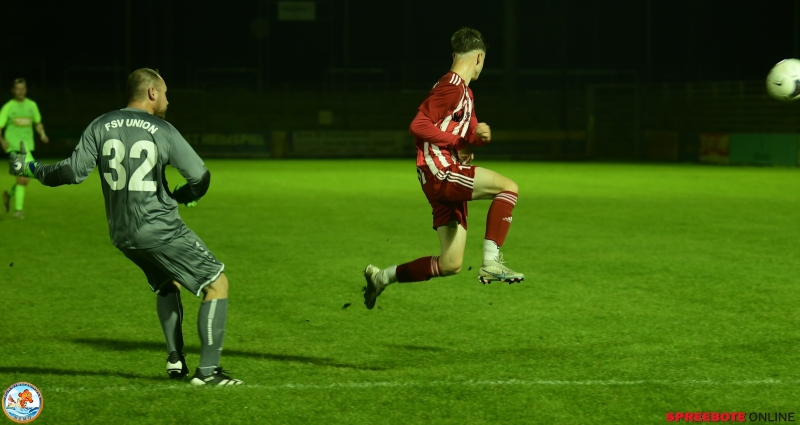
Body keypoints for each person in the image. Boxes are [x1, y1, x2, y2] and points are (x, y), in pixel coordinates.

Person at [7, 68, 242, 386]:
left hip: (122, 234)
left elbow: (72, 172)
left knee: (166, 284)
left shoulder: (100, 125)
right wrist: (186, 195)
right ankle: (209, 373)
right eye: (165, 93)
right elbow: (200, 177)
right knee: (217, 284)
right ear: (151, 93)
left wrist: (31, 166)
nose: (168, 101)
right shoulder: (162, 129)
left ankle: (175, 360)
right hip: (159, 228)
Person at [363, 28, 525, 309]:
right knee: (508, 188)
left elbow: (468, 135)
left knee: (451, 263)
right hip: (440, 171)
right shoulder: (450, 86)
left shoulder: (466, 94)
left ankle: (381, 277)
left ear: (454, 55)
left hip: (440, 177)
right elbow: (418, 125)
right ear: (479, 58)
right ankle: (491, 261)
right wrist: (457, 142)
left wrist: (479, 136)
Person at [0, 78, 49, 218]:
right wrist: (1, 140)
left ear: (26, 90)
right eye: (17, 89)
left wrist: (42, 134)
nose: (20, 91)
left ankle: (8, 195)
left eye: (23, 88)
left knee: (25, 179)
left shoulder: (31, 105)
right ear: (13, 91)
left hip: (27, 148)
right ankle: (18, 211)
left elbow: (38, 123)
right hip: (13, 147)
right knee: (22, 177)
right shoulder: (8, 107)